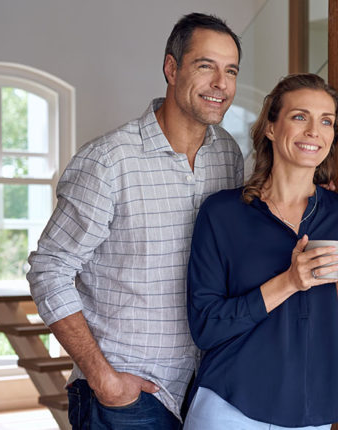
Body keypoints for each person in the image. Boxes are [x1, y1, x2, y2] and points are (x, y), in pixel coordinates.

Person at [26, 13, 244, 429]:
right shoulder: (108, 161)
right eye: (206, 66)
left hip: (204, 387)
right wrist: (104, 380)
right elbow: (48, 270)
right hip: (128, 394)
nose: (221, 83)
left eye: (230, 71)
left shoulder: (227, 155)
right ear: (171, 67)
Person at [183, 73, 338, 429]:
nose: (314, 130)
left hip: (310, 414)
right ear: (270, 127)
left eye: (326, 121)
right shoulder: (222, 214)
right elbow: (205, 327)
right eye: (300, 116)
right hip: (230, 408)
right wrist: (289, 282)